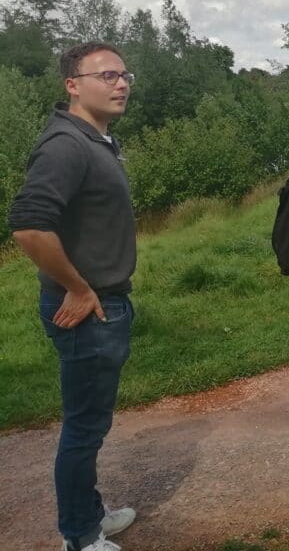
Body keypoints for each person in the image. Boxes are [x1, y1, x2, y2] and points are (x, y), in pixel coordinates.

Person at [8, 42, 138, 551]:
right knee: (84, 427)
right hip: (89, 309)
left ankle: (87, 513)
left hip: (104, 303)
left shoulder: (96, 138)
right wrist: (79, 287)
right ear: (72, 84)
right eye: (107, 75)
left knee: (91, 421)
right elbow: (28, 226)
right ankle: (80, 537)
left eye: (125, 75)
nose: (121, 83)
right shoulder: (66, 144)